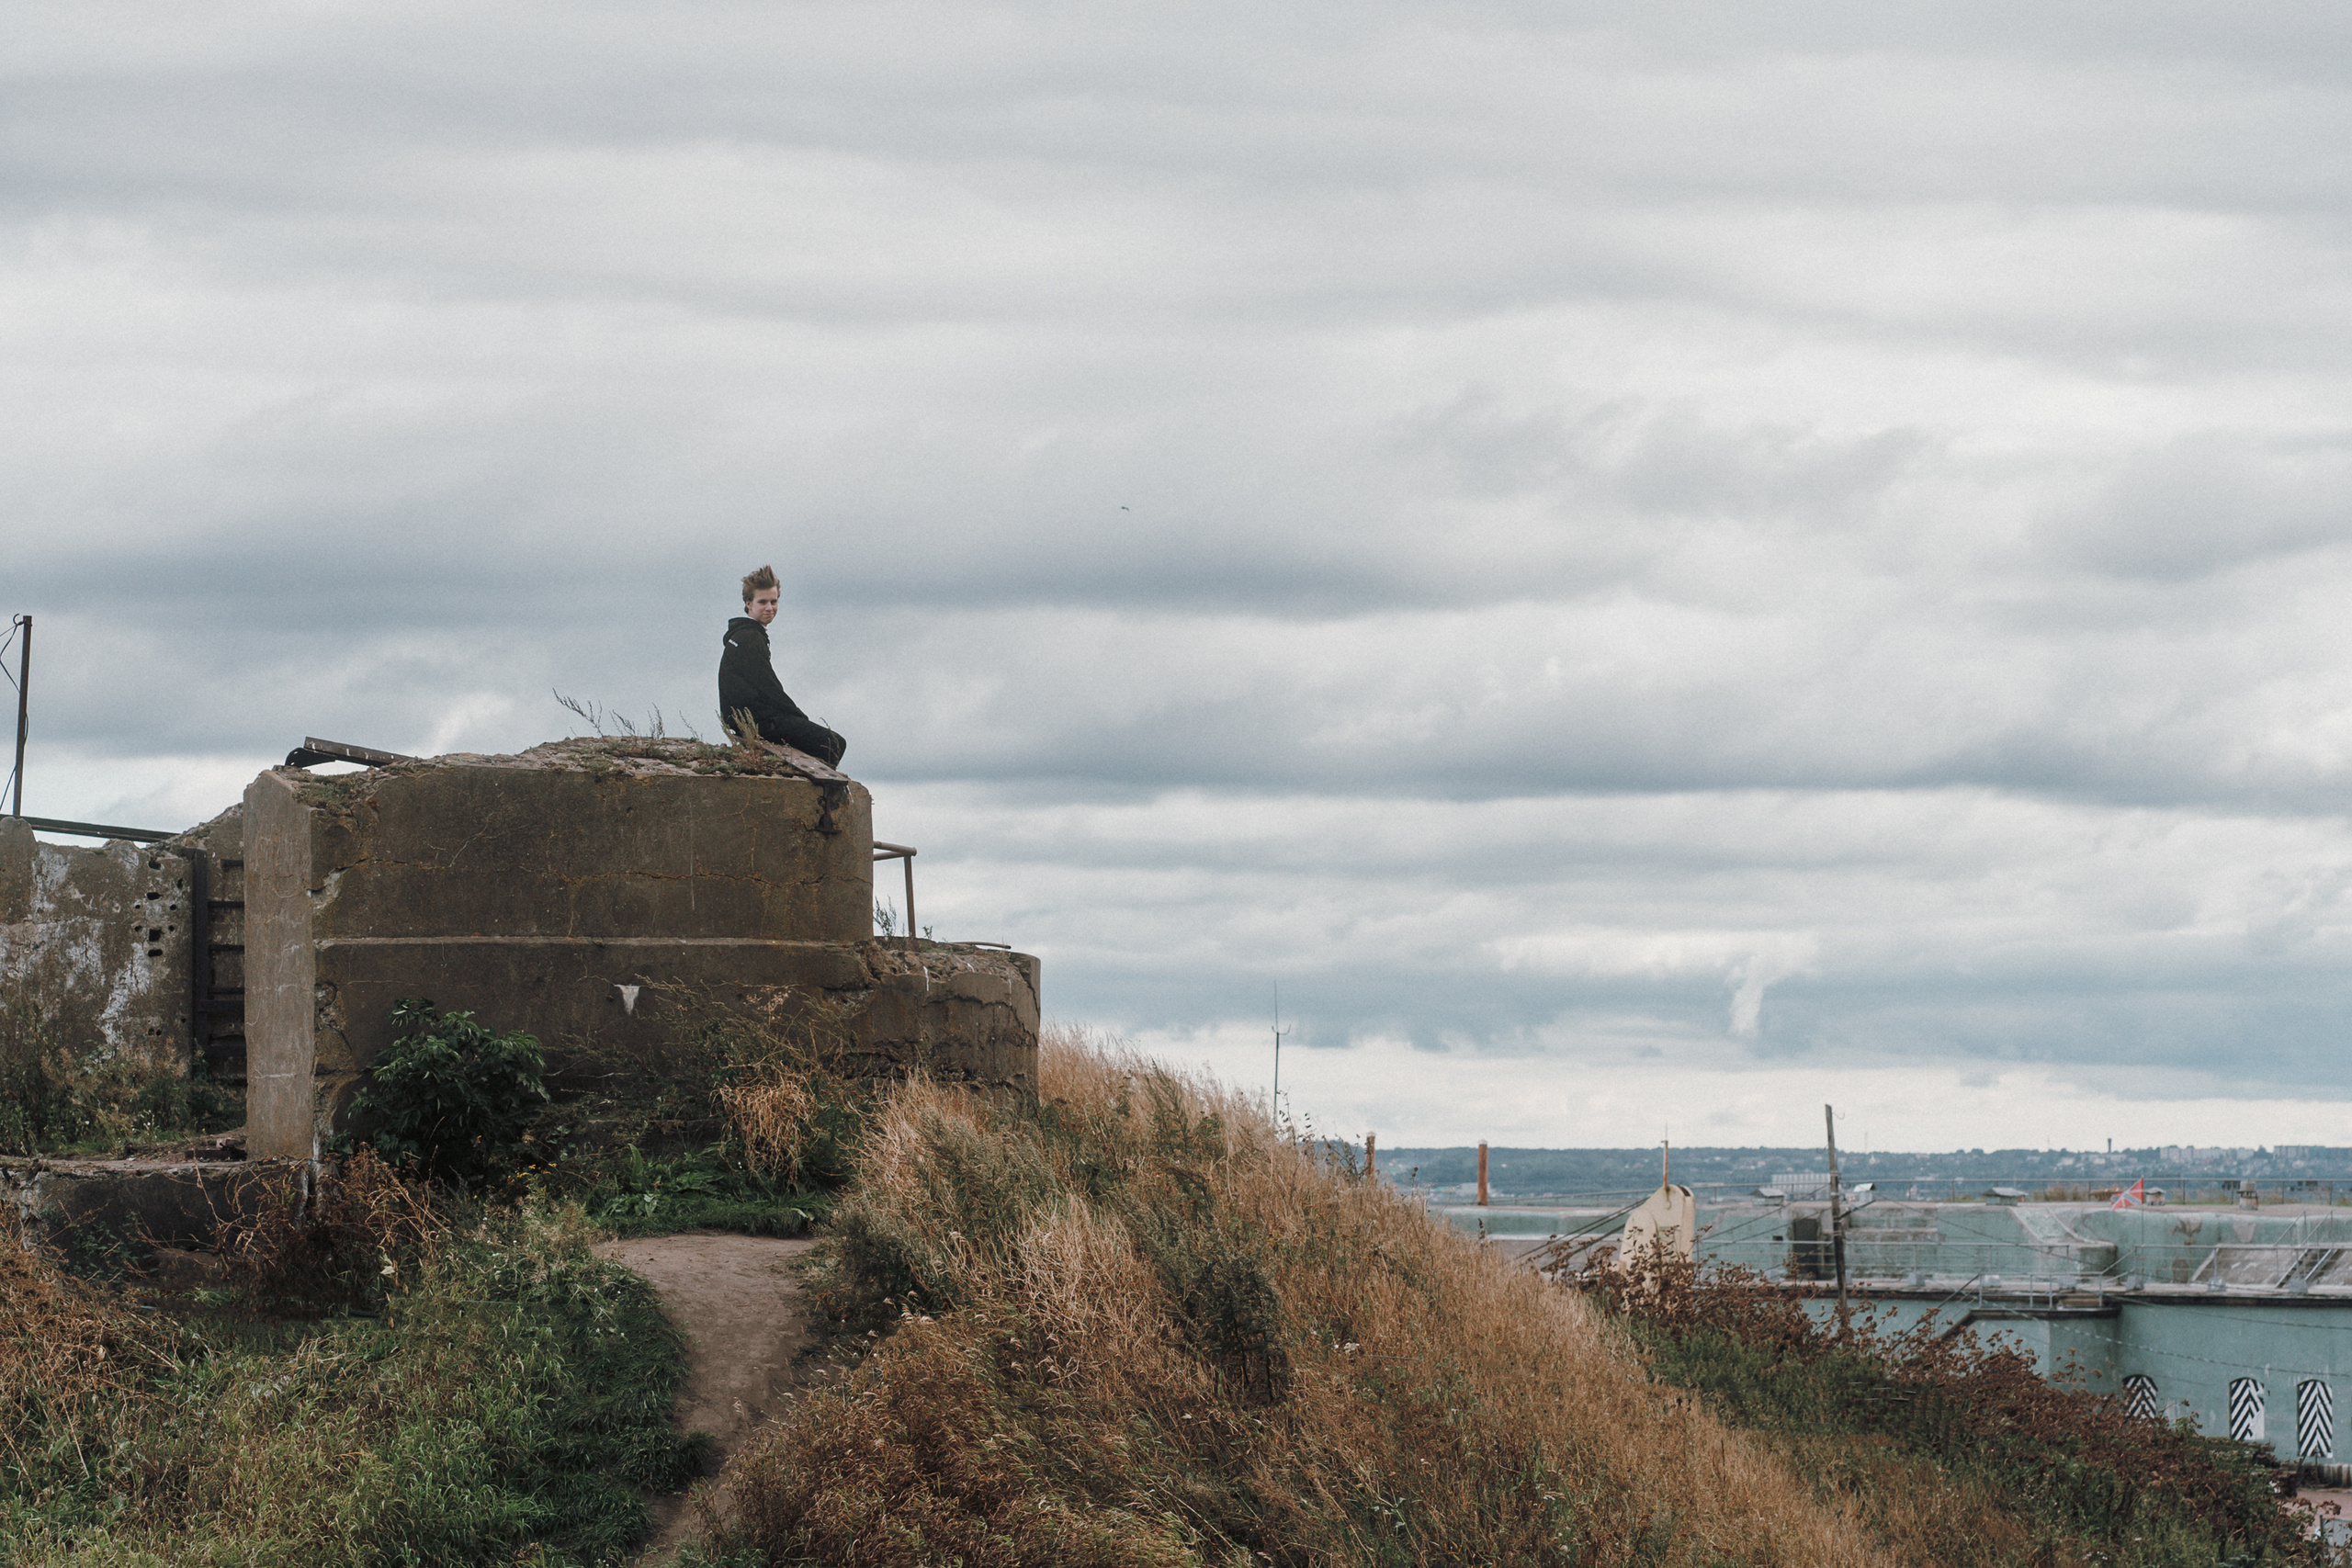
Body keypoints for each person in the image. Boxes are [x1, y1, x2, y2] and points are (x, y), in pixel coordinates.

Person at [718, 565, 847, 767]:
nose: (769, 608)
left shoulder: (742, 635)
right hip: (759, 723)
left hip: (748, 720)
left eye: (774, 601)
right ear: (748, 603)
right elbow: (770, 689)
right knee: (834, 743)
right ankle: (817, 787)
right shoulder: (750, 639)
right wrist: (800, 717)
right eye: (763, 602)